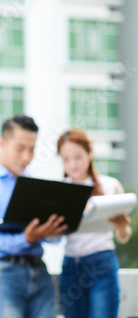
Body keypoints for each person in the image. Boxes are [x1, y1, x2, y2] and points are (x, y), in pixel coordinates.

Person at [0, 115, 67, 318]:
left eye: (32, 149)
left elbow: (53, 241)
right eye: (20, 148)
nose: (26, 156)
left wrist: (53, 230)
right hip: (2, 275)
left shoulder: (34, 184)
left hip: (40, 271)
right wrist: (26, 239)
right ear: (2, 144)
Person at [57, 128, 132, 318]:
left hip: (102, 263)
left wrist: (122, 226)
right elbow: (54, 239)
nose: (72, 164)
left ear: (90, 154)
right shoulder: (59, 190)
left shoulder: (110, 186)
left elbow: (123, 238)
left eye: (78, 157)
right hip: (71, 266)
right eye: (66, 159)